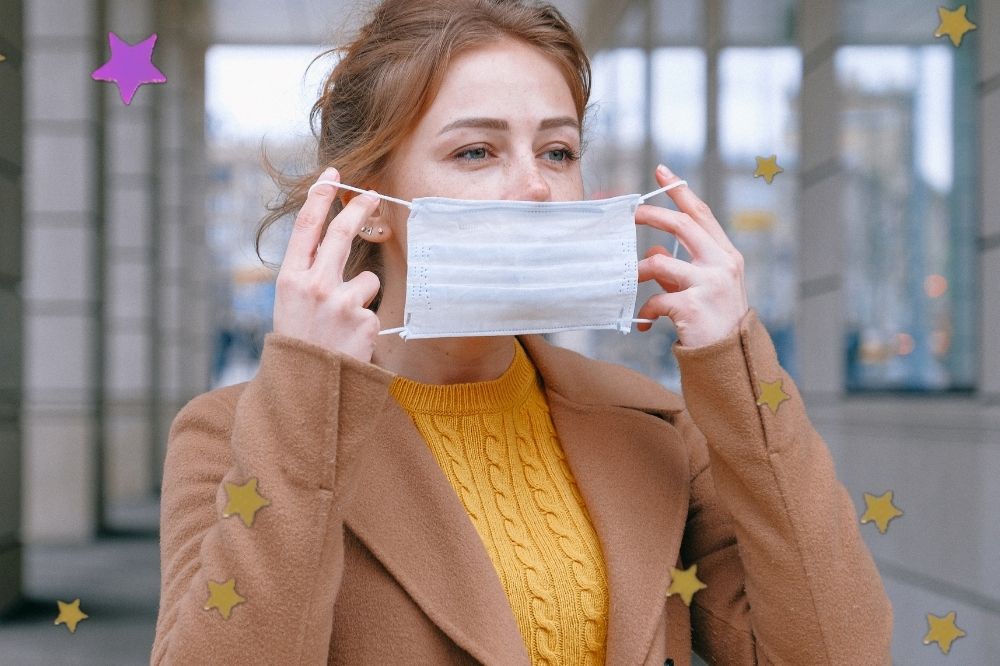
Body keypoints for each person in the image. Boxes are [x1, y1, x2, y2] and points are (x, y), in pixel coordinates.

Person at [150, 1, 892, 664]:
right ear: (367, 204)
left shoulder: (653, 427)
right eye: (476, 151)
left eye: (558, 152)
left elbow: (839, 653)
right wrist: (309, 390)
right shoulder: (232, 435)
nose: (537, 187)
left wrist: (738, 368)